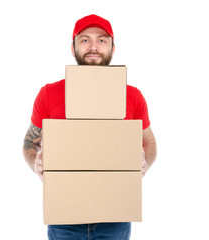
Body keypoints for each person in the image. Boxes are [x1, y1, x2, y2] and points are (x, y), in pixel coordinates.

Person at [23, 14, 157, 240]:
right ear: (73, 48)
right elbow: (29, 142)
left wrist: (144, 161)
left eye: (102, 40)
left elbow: (149, 142)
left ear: (113, 49)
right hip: (64, 216)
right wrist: (35, 161)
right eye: (84, 40)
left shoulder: (132, 96)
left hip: (115, 215)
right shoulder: (49, 94)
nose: (93, 47)